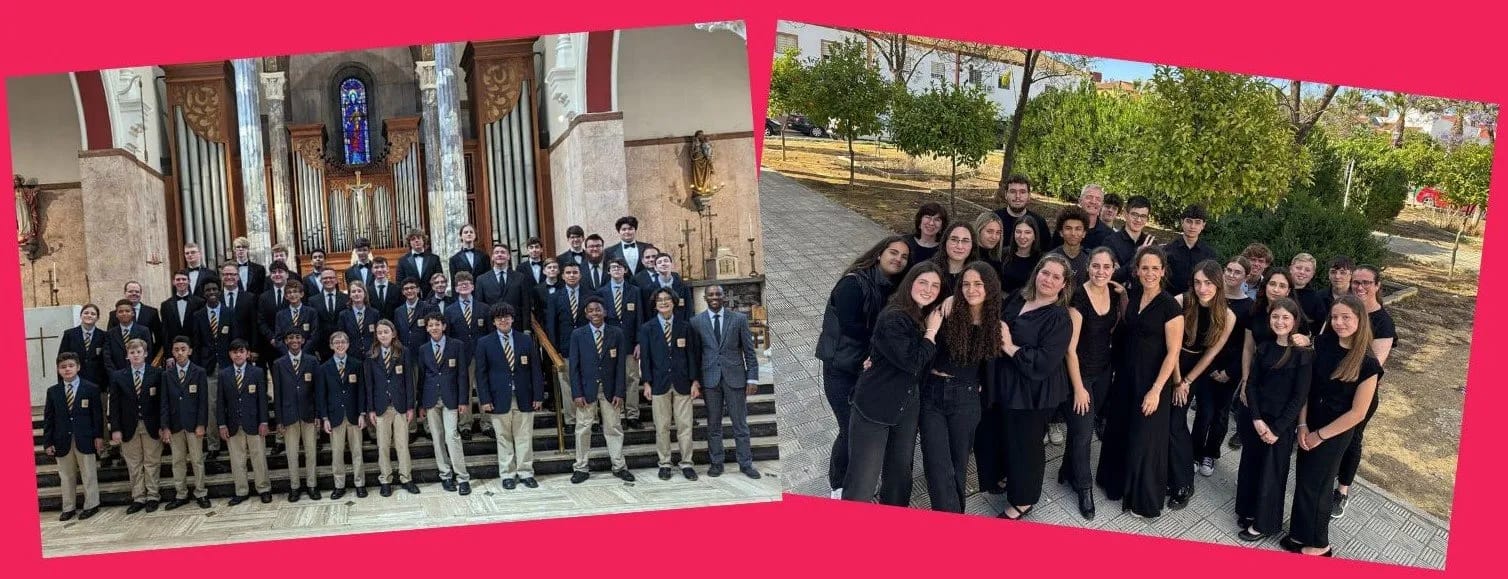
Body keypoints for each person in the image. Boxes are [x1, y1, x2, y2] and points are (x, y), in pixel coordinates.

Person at [1284, 296, 1381, 557]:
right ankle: (1299, 534)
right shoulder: (1324, 343)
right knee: (1304, 481)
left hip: (1334, 432)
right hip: (1310, 422)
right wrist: (1303, 424)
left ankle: (1319, 545)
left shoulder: (1368, 364)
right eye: (1335, 317)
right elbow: (1308, 386)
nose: (1339, 322)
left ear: (1360, 320)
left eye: (1346, 317)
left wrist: (1319, 435)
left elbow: (1358, 413)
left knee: (1318, 486)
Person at [815, 235, 909, 498]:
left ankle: (860, 479)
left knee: (862, 429)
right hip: (841, 368)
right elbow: (851, 326)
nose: (898, 259)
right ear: (879, 253)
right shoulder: (853, 283)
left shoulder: (891, 287)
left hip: (865, 368)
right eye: (893, 252)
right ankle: (838, 485)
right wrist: (883, 345)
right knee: (849, 429)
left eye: (904, 257)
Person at [842, 262, 944, 505]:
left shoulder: (919, 312)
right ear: (910, 282)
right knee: (863, 480)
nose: (928, 289)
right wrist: (931, 333)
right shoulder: (895, 316)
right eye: (923, 282)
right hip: (875, 406)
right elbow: (913, 362)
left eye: (935, 285)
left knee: (899, 472)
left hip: (906, 403)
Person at [1097, 246, 1183, 519]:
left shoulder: (1170, 305)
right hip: (1125, 378)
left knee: (1145, 439)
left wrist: (1157, 390)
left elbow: (1173, 352)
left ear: (1163, 271)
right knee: (1121, 429)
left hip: (1151, 381)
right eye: (1144, 268)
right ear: (1136, 270)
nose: (1149, 273)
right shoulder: (1133, 296)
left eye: (1154, 268)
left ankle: (1144, 500)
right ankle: (1116, 484)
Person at [995, 255, 1074, 520]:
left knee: (1027, 445)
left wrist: (1008, 347)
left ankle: (1023, 499)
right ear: (1036, 273)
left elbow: (1044, 362)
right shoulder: (1019, 296)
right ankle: (1009, 476)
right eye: (1045, 273)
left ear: (1063, 284)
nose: (1048, 279)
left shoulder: (1060, 318)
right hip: (1009, 382)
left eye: (1055, 277)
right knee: (1008, 436)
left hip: (1035, 390)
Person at [919, 261, 1000, 513]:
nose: (971, 289)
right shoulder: (947, 309)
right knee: (936, 463)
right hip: (933, 392)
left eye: (978, 284)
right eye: (965, 284)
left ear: (989, 287)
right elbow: (919, 341)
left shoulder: (994, 322)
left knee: (958, 464)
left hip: (965, 397)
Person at [1234, 297, 1312, 541]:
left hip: (1281, 425)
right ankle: (1247, 509)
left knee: (1271, 474)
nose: (1280, 321)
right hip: (1257, 419)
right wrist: (1256, 418)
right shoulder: (1265, 347)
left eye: (1285, 317)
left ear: (1295, 321)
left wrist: (1277, 429)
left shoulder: (1303, 355)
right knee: (1250, 465)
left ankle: (1264, 523)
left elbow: (1299, 397)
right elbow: (1253, 386)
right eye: (1275, 317)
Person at [1059, 248, 1121, 519]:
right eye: (1096, 266)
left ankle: (1066, 469)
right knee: (1084, 434)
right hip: (1080, 374)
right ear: (1088, 267)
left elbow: (1115, 328)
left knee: (1082, 426)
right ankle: (1084, 489)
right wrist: (1079, 388)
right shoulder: (1078, 298)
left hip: (1104, 371)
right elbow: (1069, 349)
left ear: (1114, 268)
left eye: (1106, 267)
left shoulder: (1116, 293)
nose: (1101, 272)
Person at [1330, 264, 1396, 518]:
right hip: (1332, 389)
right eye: (1356, 281)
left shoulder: (1384, 323)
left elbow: (1373, 367)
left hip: (1359, 394)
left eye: (1366, 282)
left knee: (1352, 439)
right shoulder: (1344, 310)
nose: (1359, 286)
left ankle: (1342, 490)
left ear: (1377, 286)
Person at [1168, 260, 1236, 509]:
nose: (1202, 288)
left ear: (1218, 283)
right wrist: (1177, 379)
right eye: (1197, 282)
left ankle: (1184, 482)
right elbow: (1172, 347)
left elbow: (1210, 354)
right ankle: (1166, 473)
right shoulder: (1180, 301)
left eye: (1208, 283)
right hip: (1169, 363)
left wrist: (1186, 382)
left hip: (1193, 372)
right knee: (1163, 422)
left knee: (1176, 423)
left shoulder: (1227, 316)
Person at [694, 285, 764, 479]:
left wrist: (752, 377)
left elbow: (749, 351)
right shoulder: (696, 322)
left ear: (723, 296)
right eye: (711, 294)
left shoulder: (739, 319)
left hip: (735, 378)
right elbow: (695, 355)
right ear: (705, 297)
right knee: (713, 425)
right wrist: (696, 381)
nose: (715, 297)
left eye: (718, 294)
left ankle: (746, 463)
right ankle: (716, 463)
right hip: (710, 380)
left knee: (740, 424)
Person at [476, 303, 545, 489]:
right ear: (494, 322)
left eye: (507, 317)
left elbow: (536, 370)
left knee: (524, 436)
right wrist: (485, 399)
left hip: (524, 395)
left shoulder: (525, 340)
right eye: (499, 318)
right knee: (503, 437)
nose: (503, 320)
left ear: (513, 319)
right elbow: (481, 375)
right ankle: (507, 474)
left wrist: (538, 395)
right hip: (498, 398)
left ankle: (525, 472)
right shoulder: (485, 343)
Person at [567, 297, 634, 483]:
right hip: (586, 390)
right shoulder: (578, 335)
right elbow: (574, 367)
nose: (595, 313)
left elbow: (621, 366)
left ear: (604, 312)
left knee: (613, 427)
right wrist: (577, 393)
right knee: (583, 428)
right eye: (591, 310)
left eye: (598, 310)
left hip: (610, 389)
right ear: (586, 314)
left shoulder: (616, 333)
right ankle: (581, 467)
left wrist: (620, 392)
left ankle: (619, 465)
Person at [640, 288, 703, 481]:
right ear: (655, 304)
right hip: (659, 384)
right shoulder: (648, 328)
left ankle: (686, 463)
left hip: (683, 383)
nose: (664, 302)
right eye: (660, 300)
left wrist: (695, 381)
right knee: (662, 426)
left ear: (674, 302)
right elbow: (646, 357)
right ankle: (665, 463)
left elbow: (693, 355)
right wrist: (647, 383)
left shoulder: (686, 327)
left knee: (685, 426)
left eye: (667, 299)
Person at [1201, 258, 1253, 459]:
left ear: (1246, 277)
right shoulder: (1212, 298)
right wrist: (1210, 365)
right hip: (1207, 363)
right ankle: (1196, 451)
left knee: (1220, 415)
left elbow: (1246, 345)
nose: (1231, 275)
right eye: (1229, 270)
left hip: (1231, 369)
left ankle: (1210, 454)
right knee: (1204, 413)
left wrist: (1230, 372)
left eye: (1237, 272)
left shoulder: (1249, 307)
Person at [47, 353, 105, 521]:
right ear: (58, 370)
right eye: (63, 367)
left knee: (89, 473)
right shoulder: (53, 392)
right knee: (66, 475)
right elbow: (49, 418)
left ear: (78, 367)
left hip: (85, 438)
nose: (67, 369)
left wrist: (99, 436)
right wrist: (48, 441)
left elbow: (97, 416)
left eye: (70, 365)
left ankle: (91, 504)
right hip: (62, 440)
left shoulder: (91, 388)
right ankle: (68, 507)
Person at [418, 313, 472, 494]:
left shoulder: (457, 345)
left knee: (452, 435)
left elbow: (462, 375)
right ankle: (445, 475)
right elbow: (422, 378)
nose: (434, 328)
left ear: (443, 326)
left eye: (437, 324)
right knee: (437, 438)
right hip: (431, 399)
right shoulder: (423, 349)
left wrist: (463, 400)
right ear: (426, 328)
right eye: (430, 325)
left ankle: (462, 476)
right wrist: (421, 404)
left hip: (451, 398)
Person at [365, 320, 420, 496]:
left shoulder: (403, 352)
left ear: (393, 333)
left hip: (400, 406)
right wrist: (371, 409)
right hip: (381, 407)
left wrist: (411, 406)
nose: (383, 335)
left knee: (402, 444)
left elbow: (409, 381)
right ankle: (386, 479)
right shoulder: (371, 354)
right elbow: (369, 385)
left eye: (386, 332)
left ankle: (406, 478)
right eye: (379, 332)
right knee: (382, 445)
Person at [111, 338, 164, 513]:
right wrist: (116, 428)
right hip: (128, 426)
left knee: (152, 462)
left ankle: (153, 496)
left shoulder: (156, 373)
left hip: (151, 425)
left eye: (139, 352)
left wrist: (163, 425)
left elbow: (162, 403)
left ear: (145, 353)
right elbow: (115, 406)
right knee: (134, 464)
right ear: (127, 355)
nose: (135, 355)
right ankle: (138, 497)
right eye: (132, 352)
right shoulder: (118, 376)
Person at [159, 336, 211, 510]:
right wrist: (165, 427)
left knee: (197, 460)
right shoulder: (167, 375)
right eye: (176, 350)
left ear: (190, 351)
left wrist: (201, 424)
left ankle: (201, 492)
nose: (180, 352)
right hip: (174, 425)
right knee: (177, 461)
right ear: (172, 352)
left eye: (183, 349)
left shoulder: (199, 372)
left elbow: (203, 401)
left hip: (194, 424)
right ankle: (181, 494)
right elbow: (164, 402)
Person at [218, 340, 273, 505]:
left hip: (254, 423)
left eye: (241, 351)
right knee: (237, 460)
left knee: (259, 458)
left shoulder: (256, 372)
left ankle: (263, 488)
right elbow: (220, 402)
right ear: (230, 355)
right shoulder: (224, 374)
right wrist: (222, 424)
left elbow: (262, 400)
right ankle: (241, 491)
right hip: (233, 424)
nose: (238, 354)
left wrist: (264, 421)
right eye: (234, 352)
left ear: (247, 353)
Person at [272, 329, 321, 502]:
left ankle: (312, 485)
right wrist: (279, 419)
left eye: (297, 337)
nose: (294, 340)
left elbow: (318, 390)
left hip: (309, 414)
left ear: (303, 340)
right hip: (288, 415)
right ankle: (295, 487)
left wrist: (318, 414)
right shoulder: (278, 363)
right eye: (290, 337)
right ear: (285, 341)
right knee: (291, 454)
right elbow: (277, 393)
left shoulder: (312, 361)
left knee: (310, 452)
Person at [597, 258, 645, 429]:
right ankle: (619, 414)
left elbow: (640, 318)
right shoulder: (601, 292)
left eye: (620, 267)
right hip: (609, 343)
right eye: (613, 267)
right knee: (613, 379)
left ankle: (633, 414)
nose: (616, 270)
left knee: (632, 378)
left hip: (631, 343)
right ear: (608, 271)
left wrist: (639, 342)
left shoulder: (635, 291)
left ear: (625, 270)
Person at [318, 331, 367, 499]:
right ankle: (339, 485)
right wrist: (324, 418)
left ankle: (360, 483)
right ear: (331, 345)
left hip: (354, 415)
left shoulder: (356, 364)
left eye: (343, 342)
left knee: (357, 451)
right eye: (336, 342)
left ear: (348, 344)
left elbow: (362, 391)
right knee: (337, 453)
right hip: (334, 416)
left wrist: (362, 413)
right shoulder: (324, 368)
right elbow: (321, 395)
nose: (340, 345)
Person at [444, 272, 490, 439]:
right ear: (455, 288)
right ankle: (465, 425)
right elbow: (448, 336)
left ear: (472, 286)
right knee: (465, 390)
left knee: (484, 388)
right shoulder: (449, 311)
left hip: (482, 355)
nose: (464, 286)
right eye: (460, 284)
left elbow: (490, 333)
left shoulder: (484, 308)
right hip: (461, 357)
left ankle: (487, 423)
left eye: (467, 283)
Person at [548, 262, 589, 424]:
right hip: (564, 348)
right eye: (568, 273)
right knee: (567, 385)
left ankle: (589, 420)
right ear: (563, 276)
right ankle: (571, 420)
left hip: (587, 347)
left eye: (575, 272)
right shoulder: (555, 297)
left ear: (580, 275)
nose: (572, 275)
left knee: (588, 383)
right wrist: (554, 349)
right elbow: (552, 325)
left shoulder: (590, 294)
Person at [477, 242, 532, 332]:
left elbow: (525, 305)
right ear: (492, 257)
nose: (500, 255)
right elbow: (480, 307)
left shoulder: (520, 277)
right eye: (497, 252)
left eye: (503, 252)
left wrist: (526, 328)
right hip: (491, 327)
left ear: (508, 256)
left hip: (516, 326)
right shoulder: (481, 279)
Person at [1162, 205, 1216, 296]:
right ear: (1182, 222)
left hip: (1198, 303)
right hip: (1171, 302)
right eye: (1189, 221)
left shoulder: (1209, 254)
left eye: (1197, 222)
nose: (1192, 226)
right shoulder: (1167, 251)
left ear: (1203, 225)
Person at [59, 304, 109, 396]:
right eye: (86, 313)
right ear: (81, 315)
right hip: (75, 381)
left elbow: (106, 361)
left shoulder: (104, 336)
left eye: (93, 314)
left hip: (98, 383)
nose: (89, 315)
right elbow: (61, 359)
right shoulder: (69, 334)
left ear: (97, 318)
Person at [1105, 195, 1155, 285]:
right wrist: (1138, 257)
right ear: (1125, 214)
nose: (1138, 220)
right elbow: (1111, 277)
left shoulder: (1151, 243)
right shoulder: (1110, 242)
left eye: (1143, 216)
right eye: (1134, 214)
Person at [994, 175, 1050, 252]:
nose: (1017, 196)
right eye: (1013, 191)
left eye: (1022, 192)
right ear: (1006, 195)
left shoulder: (1039, 222)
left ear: (1029, 196)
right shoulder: (994, 219)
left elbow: (1047, 252)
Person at [109, 281, 163, 362]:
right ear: (125, 293)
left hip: (144, 360)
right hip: (120, 362)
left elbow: (159, 337)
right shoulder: (114, 314)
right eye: (130, 291)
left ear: (141, 294)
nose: (134, 293)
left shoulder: (152, 312)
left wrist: (151, 357)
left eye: (137, 292)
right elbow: (110, 339)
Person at [257, 262, 296, 366]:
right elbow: (261, 321)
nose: (277, 274)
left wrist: (292, 338)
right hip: (272, 346)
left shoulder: (295, 294)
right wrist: (272, 338)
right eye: (274, 272)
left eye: (280, 271)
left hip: (293, 344)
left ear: (287, 274)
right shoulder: (264, 297)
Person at [160, 272, 204, 353]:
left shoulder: (200, 302)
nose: (181, 282)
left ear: (189, 281)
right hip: (174, 351)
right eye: (178, 279)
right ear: (173, 282)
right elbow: (165, 331)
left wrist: (197, 351)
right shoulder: (165, 305)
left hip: (195, 350)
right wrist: (168, 355)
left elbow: (202, 329)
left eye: (184, 279)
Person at [1048, 206, 1092, 287]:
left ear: (1084, 233)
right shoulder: (1050, 258)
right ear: (1061, 232)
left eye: (1078, 229)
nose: (1073, 233)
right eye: (1068, 228)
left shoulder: (1090, 259)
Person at [928, 222, 976, 296]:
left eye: (965, 241)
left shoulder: (980, 273)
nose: (959, 246)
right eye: (954, 240)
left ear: (972, 245)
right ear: (945, 242)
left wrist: (955, 299)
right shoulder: (927, 270)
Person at [273, 282, 318, 358]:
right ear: (286, 296)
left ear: (301, 294)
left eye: (295, 291)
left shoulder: (311, 312)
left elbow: (314, 335)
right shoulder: (280, 315)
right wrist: (288, 353)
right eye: (289, 292)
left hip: (307, 354)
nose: (292, 295)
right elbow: (278, 338)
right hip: (286, 356)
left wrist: (302, 353)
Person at [1000, 218, 1042, 295]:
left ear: (1035, 236)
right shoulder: (1003, 254)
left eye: (1027, 232)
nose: (1022, 236)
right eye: (1018, 232)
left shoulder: (1041, 260)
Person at [338, 281, 379, 361]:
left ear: (365, 293)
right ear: (350, 295)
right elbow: (342, 336)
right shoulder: (343, 315)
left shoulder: (374, 313)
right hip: (352, 355)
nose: (356, 294)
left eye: (359, 291)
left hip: (372, 354)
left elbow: (377, 335)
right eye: (353, 291)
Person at [313, 268, 349, 360]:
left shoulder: (346, 299)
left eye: (331, 277)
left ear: (336, 280)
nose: (328, 280)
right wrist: (315, 347)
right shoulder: (313, 300)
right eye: (325, 278)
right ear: (321, 281)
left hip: (343, 343)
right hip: (323, 345)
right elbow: (314, 325)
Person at [645, 253, 691, 321]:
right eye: (659, 262)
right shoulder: (649, 289)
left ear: (672, 265)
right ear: (655, 268)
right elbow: (648, 312)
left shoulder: (683, 286)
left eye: (666, 261)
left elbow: (689, 308)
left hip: (681, 325)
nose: (663, 264)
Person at [398, 230, 443, 299]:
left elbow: (439, 279)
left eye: (419, 238)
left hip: (432, 299)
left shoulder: (434, 258)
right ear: (409, 243)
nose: (416, 240)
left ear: (423, 240)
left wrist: (431, 297)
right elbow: (400, 283)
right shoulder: (403, 261)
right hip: (411, 299)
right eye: (413, 239)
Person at [1289, 253, 1328, 333]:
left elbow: (1320, 328)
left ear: (1313, 274)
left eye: (1307, 270)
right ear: (1290, 269)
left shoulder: (1316, 299)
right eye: (1298, 268)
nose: (1302, 272)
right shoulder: (1280, 291)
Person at [905, 203, 948, 270]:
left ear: (942, 226)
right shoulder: (904, 242)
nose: (931, 223)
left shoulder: (944, 250)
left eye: (937, 219)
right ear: (920, 221)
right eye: (928, 217)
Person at [1078, 184, 1113, 249]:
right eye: (1089, 197)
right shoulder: (1066, 227)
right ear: (1080, 201)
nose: (1093, 202)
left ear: (1102, 205)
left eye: (1098, 199)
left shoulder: (1109, 235)